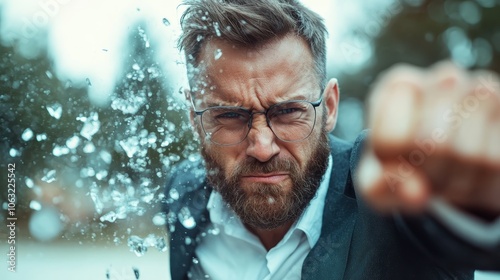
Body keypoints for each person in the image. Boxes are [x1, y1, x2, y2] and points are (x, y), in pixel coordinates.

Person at [163, 0, 500, 279]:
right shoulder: (184, 194)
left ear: (329, 107)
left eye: (288, 112)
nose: (262, 147)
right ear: (195, 119)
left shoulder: (390, 184)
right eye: (230, 116)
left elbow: (467, 229)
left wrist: (479, 198)